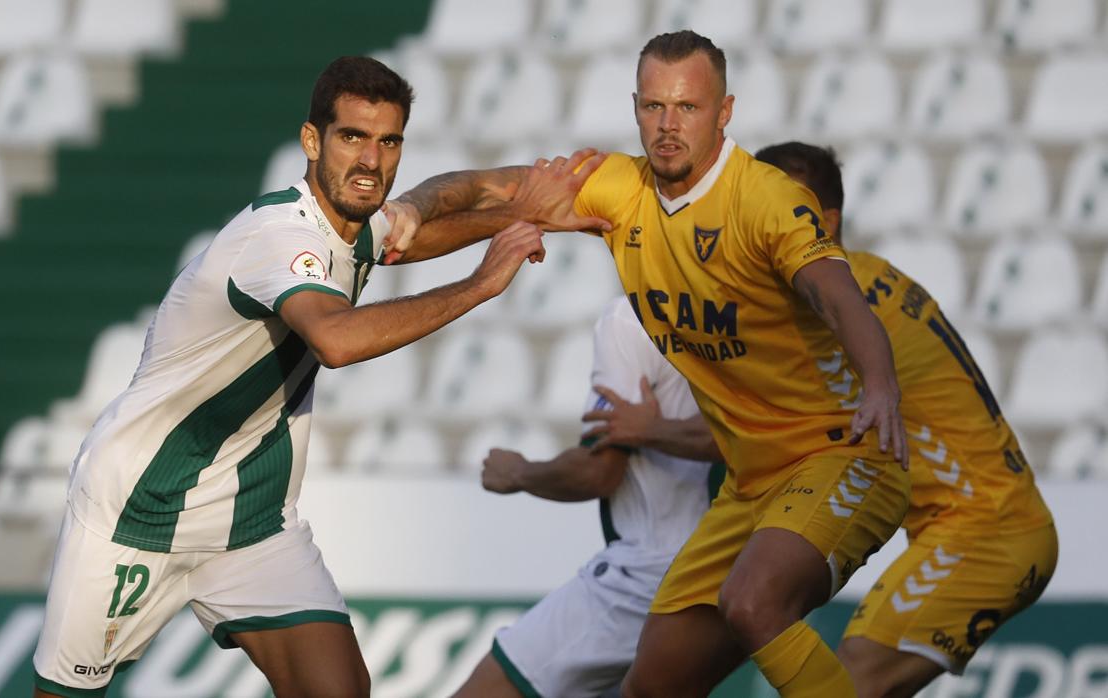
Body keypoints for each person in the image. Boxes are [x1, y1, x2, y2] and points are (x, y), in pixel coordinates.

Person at [30, 56, 606, 698]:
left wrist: (541, 199)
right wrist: (481, 282)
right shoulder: (279, 236)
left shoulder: (349, 223)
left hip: (250, 518)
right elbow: (334, 340)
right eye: (352, 137)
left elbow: (442, 205)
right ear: (312, 142)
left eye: (388, 142)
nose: (370, 160)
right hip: (137, 508)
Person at [390, 30, 911, 697]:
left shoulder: (765, 201)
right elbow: (497, 191)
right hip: (748, 487)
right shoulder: (620, 189)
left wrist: (880, 380)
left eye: (687, 108)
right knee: (651, 685)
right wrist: (406, 215)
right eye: (654, 107)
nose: (668, 126)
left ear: (724, 113)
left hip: (841, 455)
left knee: (753, 603)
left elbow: (836, 294)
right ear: (635, 105)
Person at [750, 142, 1059, 697]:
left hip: (983, 531)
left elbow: (765, 425)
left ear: (826, 221)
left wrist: (650, 431)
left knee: (847, 688)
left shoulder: (839, 307)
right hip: (975, 525)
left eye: (775, 207)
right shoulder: (867, 279)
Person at [452, 296, 720, 698]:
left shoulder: (633, 317)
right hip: (737, 561)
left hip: (653, 569)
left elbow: (598, 472)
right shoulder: (754, 308)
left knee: (490, 689)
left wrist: (520, 472)